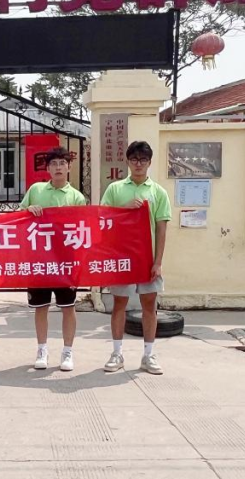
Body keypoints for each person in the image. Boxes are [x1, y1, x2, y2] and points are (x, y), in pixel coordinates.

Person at [100, 141, 171, 375]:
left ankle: (149, 355)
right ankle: (116, 353)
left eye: (143, 160)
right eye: (134, 159)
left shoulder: (158, 192)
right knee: (119, 304)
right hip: (122, 257)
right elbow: (102, 219)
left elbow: (161, 229)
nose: (138, 164)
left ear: (149, 162)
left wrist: (158, 262)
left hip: (147, 259)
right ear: (127, 162)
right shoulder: (115, 189)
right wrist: (125, 210)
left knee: (149, 306)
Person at [20, 147, 86, 372]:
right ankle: (42, 349)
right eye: (54, 164)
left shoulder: (76, 197)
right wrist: (29, 209)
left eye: (62, 163)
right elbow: (18, 217)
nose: (58, 167)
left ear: (69, 167)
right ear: (47, 168)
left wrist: (78, 263)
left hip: (65, 261)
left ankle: (67, 352)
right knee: (41, 307)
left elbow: (82, 230)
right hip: (39, 259)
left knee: (68, 307)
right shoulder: (36, 190)